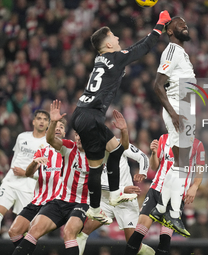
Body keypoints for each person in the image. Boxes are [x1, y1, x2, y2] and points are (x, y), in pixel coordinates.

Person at [70, 11, 172, 223]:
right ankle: (112, 196)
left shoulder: (100, 59)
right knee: (114, 152)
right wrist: (159, 24)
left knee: (102, 161)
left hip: (80, 114)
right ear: (107, 45)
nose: (117, 39)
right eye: (113, 37)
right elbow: (142, 48)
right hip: (92, 116)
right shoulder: (113, 58)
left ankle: (97, 208)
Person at [12, 100, 91, 255]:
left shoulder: (96, 154)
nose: (79, 138)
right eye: (77, 135)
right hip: (57, 200)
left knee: (68, 232)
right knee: (30, 230)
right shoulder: (66, 147)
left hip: (81, 202)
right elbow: (48, 141)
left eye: (62, 126)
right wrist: (54, 120)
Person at [150, 16, 196, 236]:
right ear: (169, 30)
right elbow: (158, 85)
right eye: (179, 23)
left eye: (185, 23)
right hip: (177, 109)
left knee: (179, 163)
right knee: (182, 164)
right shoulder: (172, 50)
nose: (184, 25)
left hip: (184, 110)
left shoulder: (182, 53)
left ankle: (160, 208)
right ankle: (174, 214)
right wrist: (174, 113)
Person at [124, 134, 204, 255]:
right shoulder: (164, 138)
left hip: (176, 196)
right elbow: (153, 166)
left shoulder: (197, 145)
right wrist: (154, 153)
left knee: (165, 237)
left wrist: (195, 186)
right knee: (139, 230)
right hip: (156, 189)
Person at [76, 131, 154, 255]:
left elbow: (143, 157)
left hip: (125, 201)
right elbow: (94, 183)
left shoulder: (117, 143)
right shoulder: (87, 155)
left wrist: (143, 172)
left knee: (133, 245)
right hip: (105, 201)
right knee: (83, 231)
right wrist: (123, 189)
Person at [0, 110, 49, 255]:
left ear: (48, 124)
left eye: (45, 119)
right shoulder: (22, 137)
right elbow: (16, 158)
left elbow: (47, 172)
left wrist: (26, 173)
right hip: (10, 182)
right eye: (38, 118)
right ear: (33, 121)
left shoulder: (49, 143)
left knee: (27, 229)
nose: (41, 121)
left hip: (29, 188)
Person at [8, 118, 66, 248]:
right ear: (48, 131)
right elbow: (29, 173)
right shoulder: (42, 151)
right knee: (14, 231)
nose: (57, 129)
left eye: (61, 127)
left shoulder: (69, 151)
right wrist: (34, 162)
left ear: (64, 133)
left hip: (56, 202)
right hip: (37, 200)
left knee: (35, 234)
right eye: (55, 126)